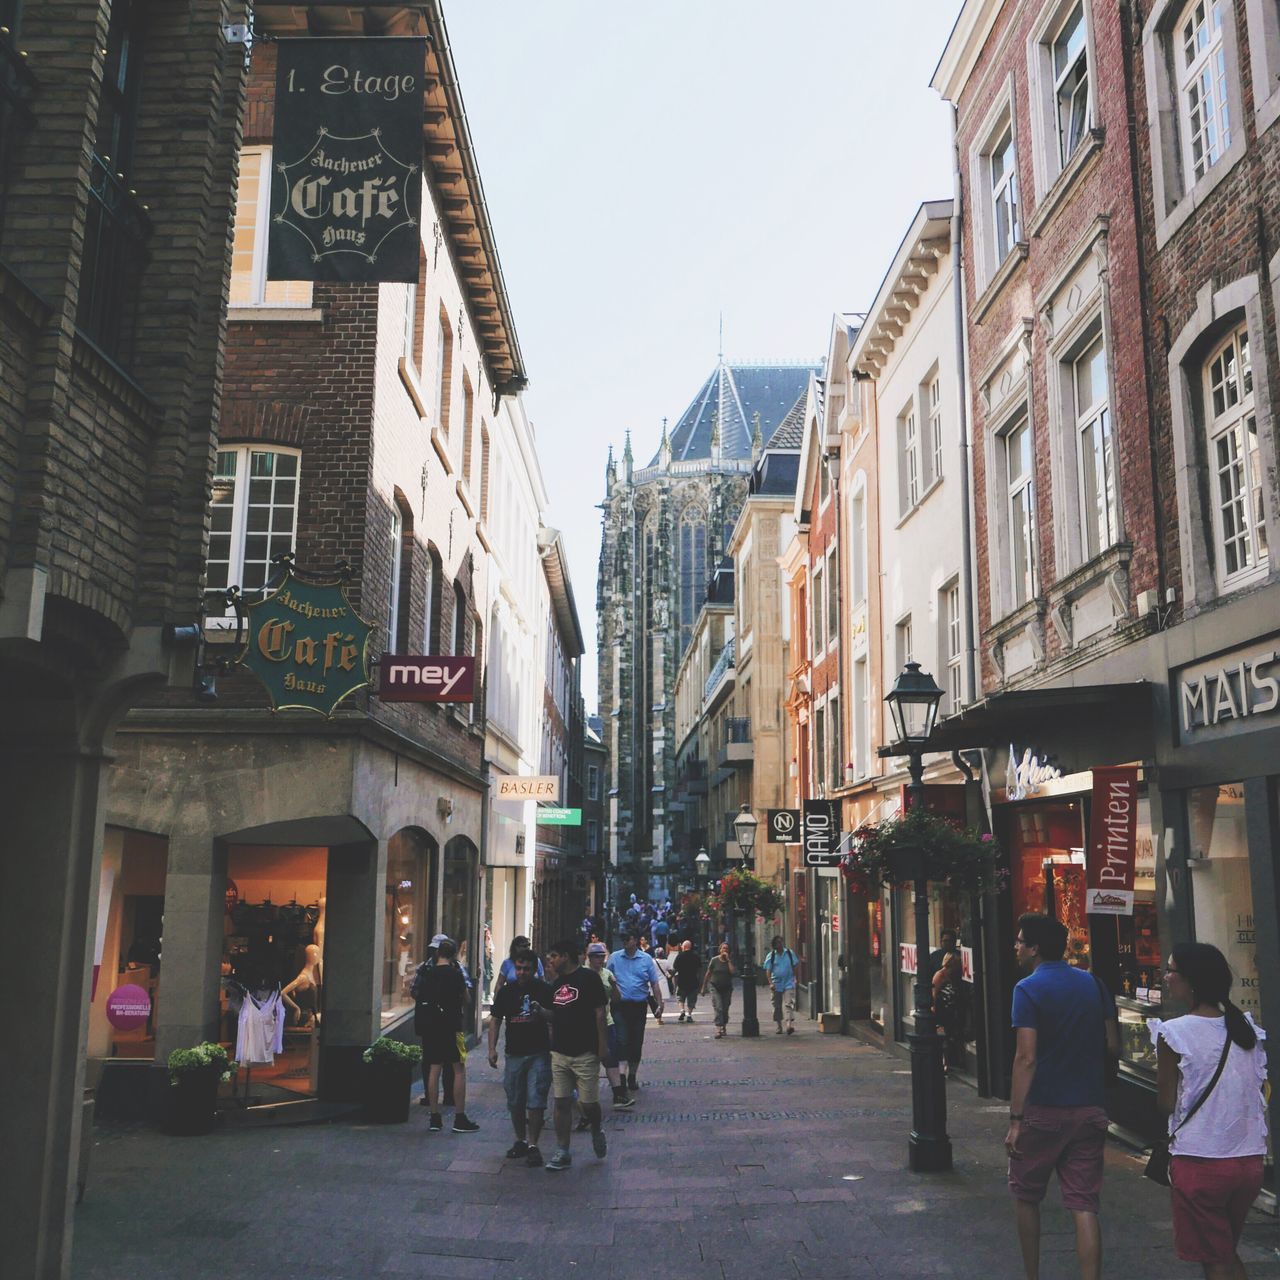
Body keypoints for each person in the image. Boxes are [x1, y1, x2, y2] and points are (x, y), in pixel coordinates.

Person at [1005, 914, 1118, 1280]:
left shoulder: (1027, 989)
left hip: (1043, 1109)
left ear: (1036, 948)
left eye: (1021, 941)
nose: (1017, 946)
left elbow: (1026, 1057)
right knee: (1084, 1204)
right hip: (1089, 1107)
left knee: (1026, 1195)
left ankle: (1032, 1275)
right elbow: (1113, 1044)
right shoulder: (1092, 984)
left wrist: (1016, 1120)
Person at [1149, 942, 1268, 1280]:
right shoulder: (1245, 1028)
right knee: (1225, 1250)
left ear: (1191, 982)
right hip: (1248, 1160)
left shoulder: (1173, 1033)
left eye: (1171, 970)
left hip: (1200, 1160)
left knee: (1214, 1257)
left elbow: (1166, 1102)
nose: (1166, 977)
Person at [539, 938, 609, 1171]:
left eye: (554, 957)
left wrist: (602, 1046)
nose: (550, 961)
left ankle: (596, 1127)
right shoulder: (556, 984)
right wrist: (540, 1012)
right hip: (560, 1051)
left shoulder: (589, 979)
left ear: (565, 957)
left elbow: (600, 1013)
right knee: (561, 1102)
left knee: (588, 1103)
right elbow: (554, 1015)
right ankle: (562, 1150)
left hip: (585, 1051)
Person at [488, 949, 554, 1167]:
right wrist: (492, 1048)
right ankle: (520, 1140)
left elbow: (554, 1017)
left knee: (536, 1100)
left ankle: (533, 1144)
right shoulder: (506, 992)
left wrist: (541, 1013)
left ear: (534, 970)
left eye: (526, 968)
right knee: (515, 1100)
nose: (522, 972)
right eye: (519, 968)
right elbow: (496, 1019)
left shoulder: (543, 989)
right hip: (514, 1053)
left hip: (538, 1052)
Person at [414, 938, 480, 1133]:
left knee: (434, 1069)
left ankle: (435, 1117)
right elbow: (466, 999)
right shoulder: (456, 973)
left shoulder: (427, 972)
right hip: (453, 1026)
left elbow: (416, 993)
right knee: (458, 1069)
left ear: (437, 953)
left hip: (432, 1026)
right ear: (453, 955)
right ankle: (459, 1117)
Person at [607, 931, 664, 1092]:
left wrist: (659, 1003)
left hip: (639, 1007)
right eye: (623, 938)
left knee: (636, 1042)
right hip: (620, 1006)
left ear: (636, 940)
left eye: (628, 938)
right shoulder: (615, 958)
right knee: (622, 1040)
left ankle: (632, 1075)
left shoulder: (646, 959)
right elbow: (605, 978)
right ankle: (622, 1076)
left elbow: (654, 983)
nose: (624, 941)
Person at [585, 941, 633, 1109]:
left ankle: (618, 1095)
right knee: (587, 1060)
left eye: (602, 957)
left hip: (607, 1022)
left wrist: (614, 985)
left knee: (611, 1058)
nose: (600, 960)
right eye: (596, 957)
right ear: (589, 958)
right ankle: (586, 1098)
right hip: (587, 1025)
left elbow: (617, 999)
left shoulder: (607, 974)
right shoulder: (583, 975)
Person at [932, 947, 965, 1074]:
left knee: (952, 1036)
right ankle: (944, 1063)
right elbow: (934, 995)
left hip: (951, 1011)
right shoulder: (940, 975)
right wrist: (934, 1011)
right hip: (941, 1012)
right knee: (943, 1039)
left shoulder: (953, 976)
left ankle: (954, 1061)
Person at [762, 936, 799, 1035]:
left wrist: (795, 978)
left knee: (789, 1003)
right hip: (776, 983)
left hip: (788, 982)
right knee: (777, 1005)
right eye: (777, 943)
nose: (779, 944)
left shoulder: (790, 953)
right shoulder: (771, 955)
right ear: (774, 945)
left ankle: (789, 1025)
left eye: (780, 942)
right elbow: (768, 970)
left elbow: (795, 966)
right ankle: (779, 1025)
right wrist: (770, 983)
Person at [701, 942, 736, 1038]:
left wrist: (728, 960)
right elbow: (708, 973)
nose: (724, 950)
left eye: (726, 949)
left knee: (725, 1008)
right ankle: (718, 1028)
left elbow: (733, 972)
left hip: (727, 988)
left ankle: (723, 1025)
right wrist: (703, 987)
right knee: (718, 1006)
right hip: (714, 986)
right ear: (720, 950)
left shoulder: (730, 961)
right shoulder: (714, 960)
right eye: (723, 948)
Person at [673, 939, 702, 1022]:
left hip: (682, 981)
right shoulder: (696, 956)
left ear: (685, 947)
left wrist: (671, 975)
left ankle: (682, 1010)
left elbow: (675, 968)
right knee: (692, 999)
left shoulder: (680, 956)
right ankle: (689, 1014)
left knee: (680, 997)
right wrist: (699, 981)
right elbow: (699, 969)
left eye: (682, 946)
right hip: (693, 981)